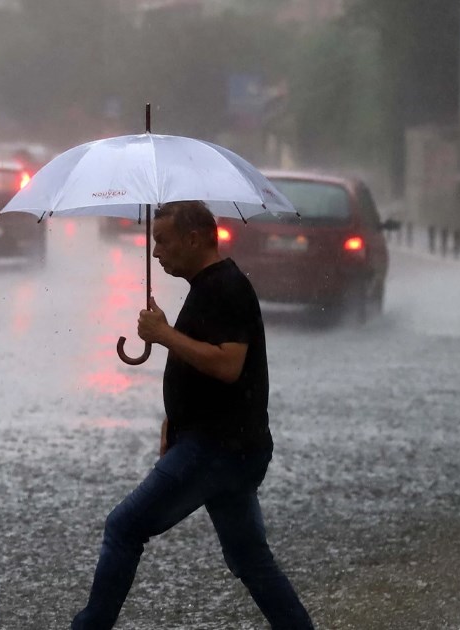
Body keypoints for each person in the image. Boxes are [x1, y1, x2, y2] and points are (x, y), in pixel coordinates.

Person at [71, 201, 313, 629]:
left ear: (194, 238)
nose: (156, 252)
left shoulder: (225, 288)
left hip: (217, 448)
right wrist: (174, 420)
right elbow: (206, 367)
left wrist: (164, 335)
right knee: (251, 559)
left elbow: (227, 365)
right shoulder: (207, 287)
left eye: (162, 240)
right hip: (228, 445)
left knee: (124, 528)